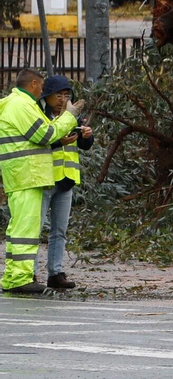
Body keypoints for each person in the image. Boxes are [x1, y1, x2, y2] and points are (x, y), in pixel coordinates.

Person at [0, 69, 84, 295]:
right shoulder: (22, 105)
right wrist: (70, 116)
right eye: (42, 86)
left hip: (24, 175)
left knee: (21, 230)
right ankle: (20, 278)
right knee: (26, 230)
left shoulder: (16, 104)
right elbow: (44, 135)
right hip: (27, 175)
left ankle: (15, 276)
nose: (43, 90)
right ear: (34, 84)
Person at [41, 75, 93, 291]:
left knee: (59, 230)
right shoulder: (39, 116)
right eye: (58, 95)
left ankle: (55, 273)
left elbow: (85, 146)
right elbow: (39, 142)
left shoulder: (72, 117)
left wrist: (86, 136)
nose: (63, 100)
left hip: (66, 181)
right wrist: (58, 142)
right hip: (44, 179)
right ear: (48, 96)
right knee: (34, 230)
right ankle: (28, 272)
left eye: (66, 95)